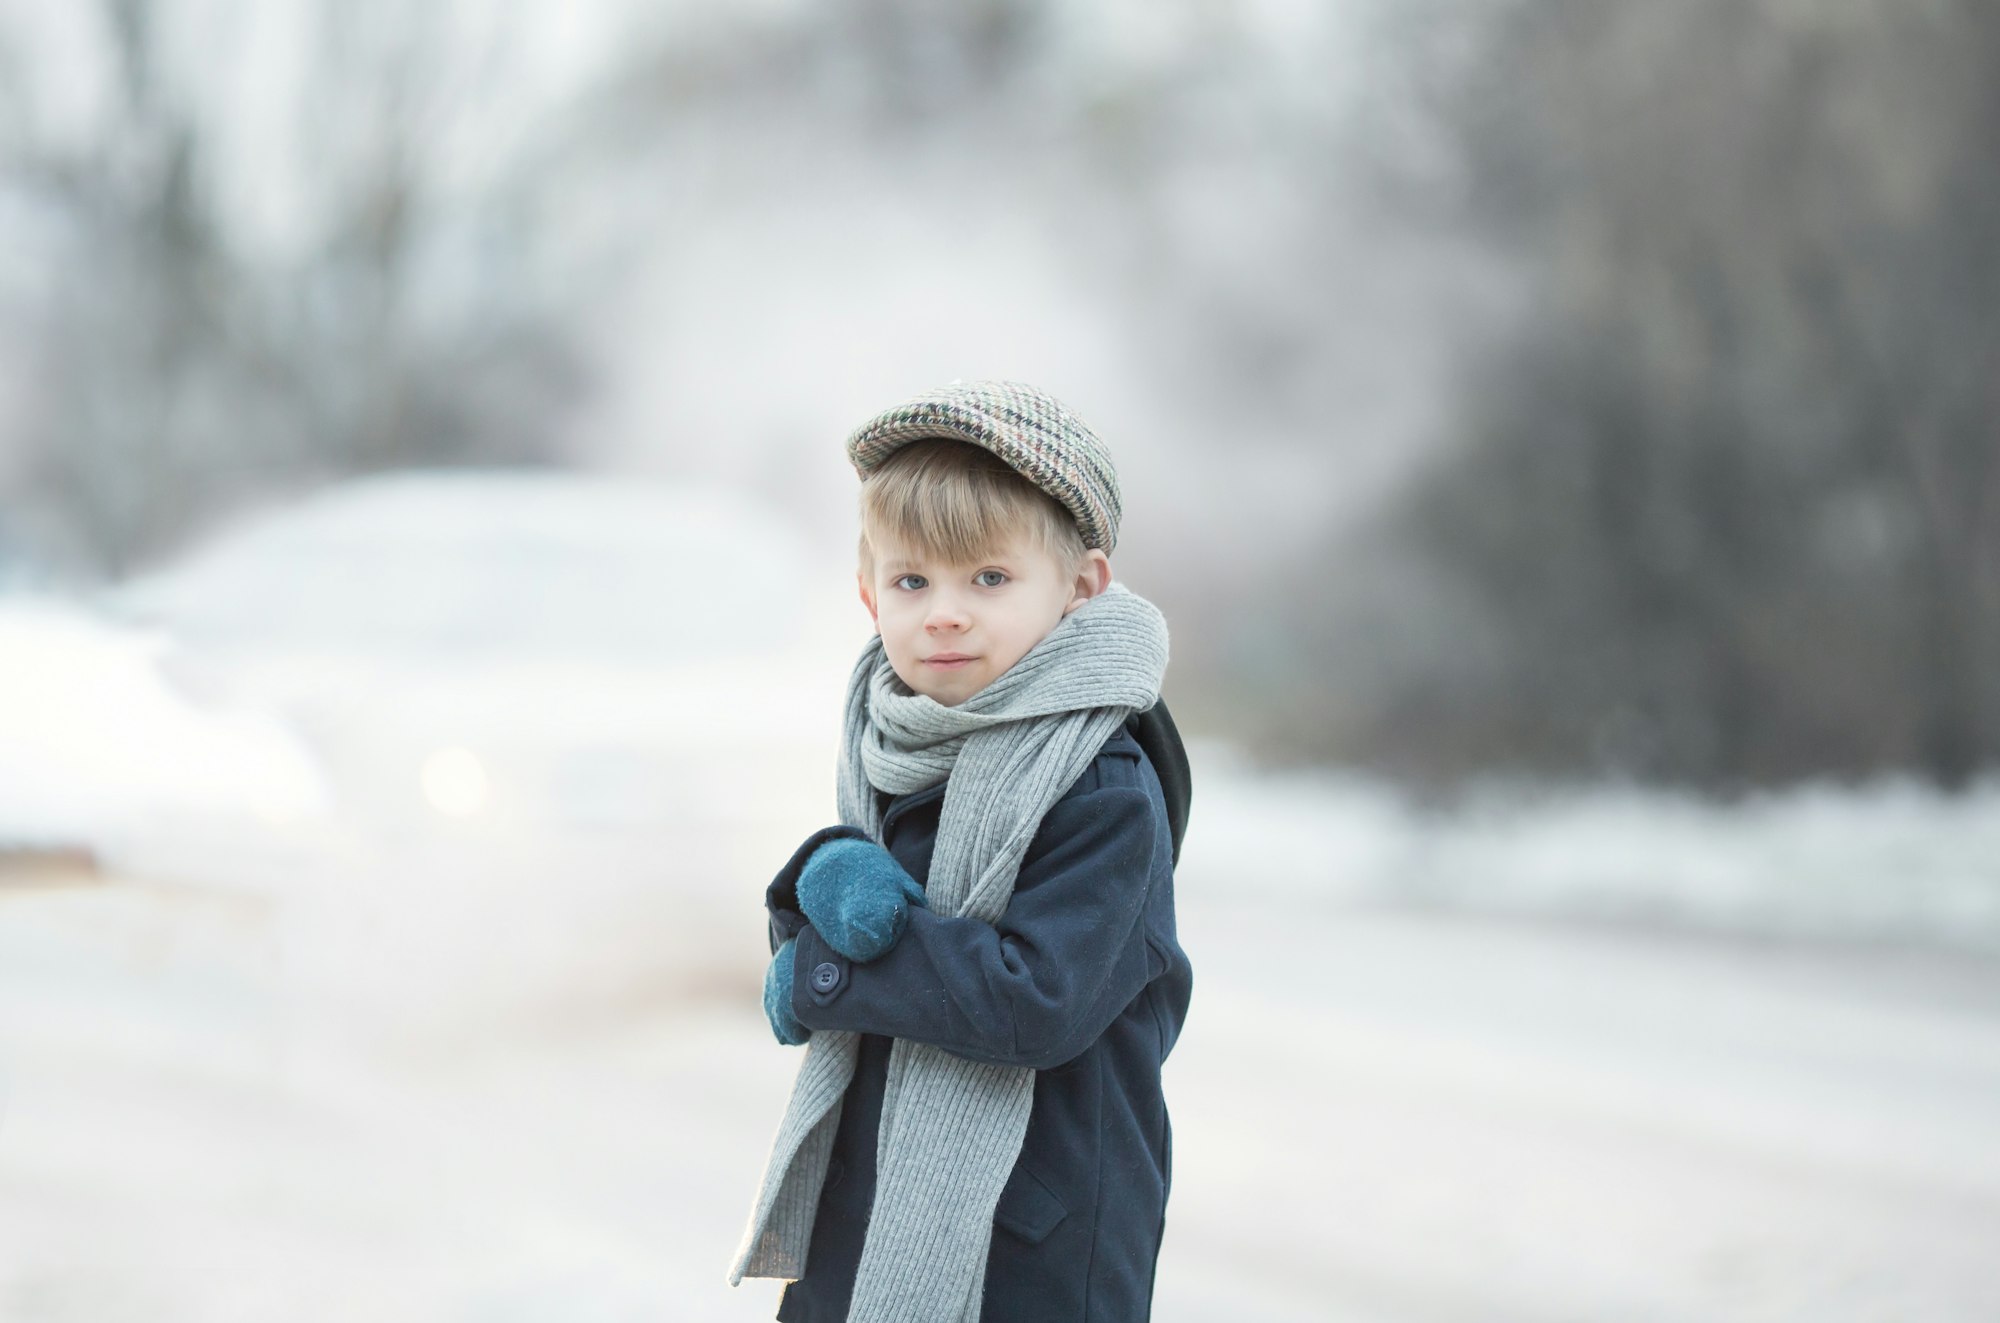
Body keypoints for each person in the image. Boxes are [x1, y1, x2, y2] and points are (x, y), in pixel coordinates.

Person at [727, 380, 1194, 1323]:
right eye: (913, 581)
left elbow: (1032, 999)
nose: (944, 612)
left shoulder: (1100, 787)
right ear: (868, 594)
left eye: (988, 578)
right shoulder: (900, 743)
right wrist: (811, 894)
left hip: (1032, 1243)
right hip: (869, 1214)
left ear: (1080, 587)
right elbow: (873, 907)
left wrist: (827, 971)